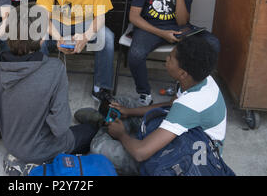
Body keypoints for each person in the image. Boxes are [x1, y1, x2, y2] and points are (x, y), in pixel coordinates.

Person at [0, 3, 98, 175]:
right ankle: (41, 162)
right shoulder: (55, 69)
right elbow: (60, 127)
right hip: (43, 149)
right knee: (91, 131)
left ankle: (21, 159)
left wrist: (12, 119)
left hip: (11, 143)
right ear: (42, 39)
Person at [75, 36, 227, 175]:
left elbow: (140, 153)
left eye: (171, 58)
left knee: (100, 148)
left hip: (184, 156)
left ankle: (101, 127)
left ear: (183, 73)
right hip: (180, 133)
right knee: (122, 103)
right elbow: (170, 105)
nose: (166, 59)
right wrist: (129, 111)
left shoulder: (190, 105)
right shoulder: (198, 79)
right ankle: (110, 126)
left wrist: (121, 135)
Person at [128, 0, 220, 106]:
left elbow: (182, 22)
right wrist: (161, 33)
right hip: (151, 27)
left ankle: (187, 88)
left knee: (213, 43)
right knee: (136, 54)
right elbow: (134, 16)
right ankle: (144, 93)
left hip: (179, 28)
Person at [36, 0, 115, 104]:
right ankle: (41, 85)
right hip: (58, 25)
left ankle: (101, 88)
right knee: (38, 37)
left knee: (106, 37)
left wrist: (85, 37)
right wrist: (58, 38)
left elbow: (100, 17)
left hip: (85, 23)